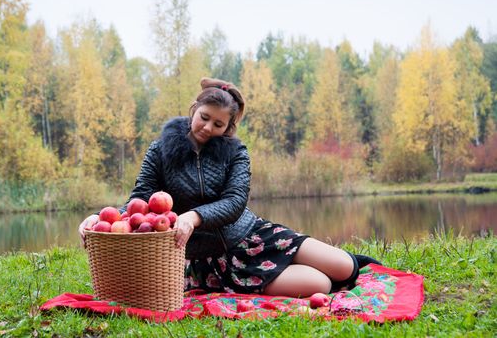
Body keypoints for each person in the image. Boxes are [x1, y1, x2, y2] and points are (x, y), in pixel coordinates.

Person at [78, 77, 380, 297]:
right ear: (193, 109)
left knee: (343, 266)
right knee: (321, 285)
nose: (208, 128)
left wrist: (193, 216)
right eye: (204, 118)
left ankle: (300, 263)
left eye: (218, 124)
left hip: (252, 234)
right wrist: (102, 219)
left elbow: (235, 201)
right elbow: (140, 200)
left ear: (229, 127)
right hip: (210, 258)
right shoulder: (159, 150)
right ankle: (262, 279)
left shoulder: (236, 152)